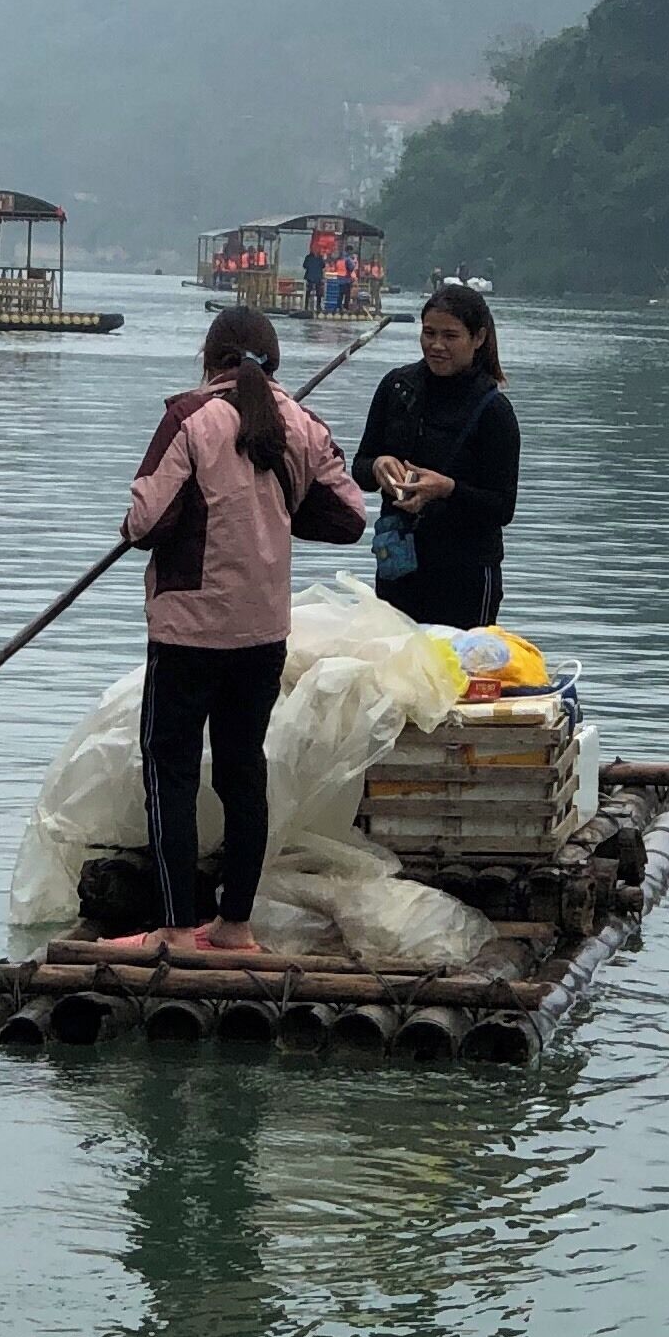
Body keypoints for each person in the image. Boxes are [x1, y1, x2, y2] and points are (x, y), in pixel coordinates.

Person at [121, 306, 364, 952]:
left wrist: (141, 526)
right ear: (272, 360)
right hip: (262, 632)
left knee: (168, 768)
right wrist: (278, 508)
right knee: (241, 770)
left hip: (188, 631)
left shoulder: (189, 418)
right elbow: (348, 515)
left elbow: (146, 520)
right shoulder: (302, 425)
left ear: (210, 359)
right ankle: (235, 923)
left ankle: (173, 927)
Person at [353, 281, 521, 628]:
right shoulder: (397, 389)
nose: (436, 345)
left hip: (465, 572)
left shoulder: (494, 411)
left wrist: (446, 488)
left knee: (458, 675)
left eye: (450, 336)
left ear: (478, 338)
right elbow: (360, 468)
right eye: (428, 333)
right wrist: (379, 466)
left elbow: (502, 507)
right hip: (399, 563)